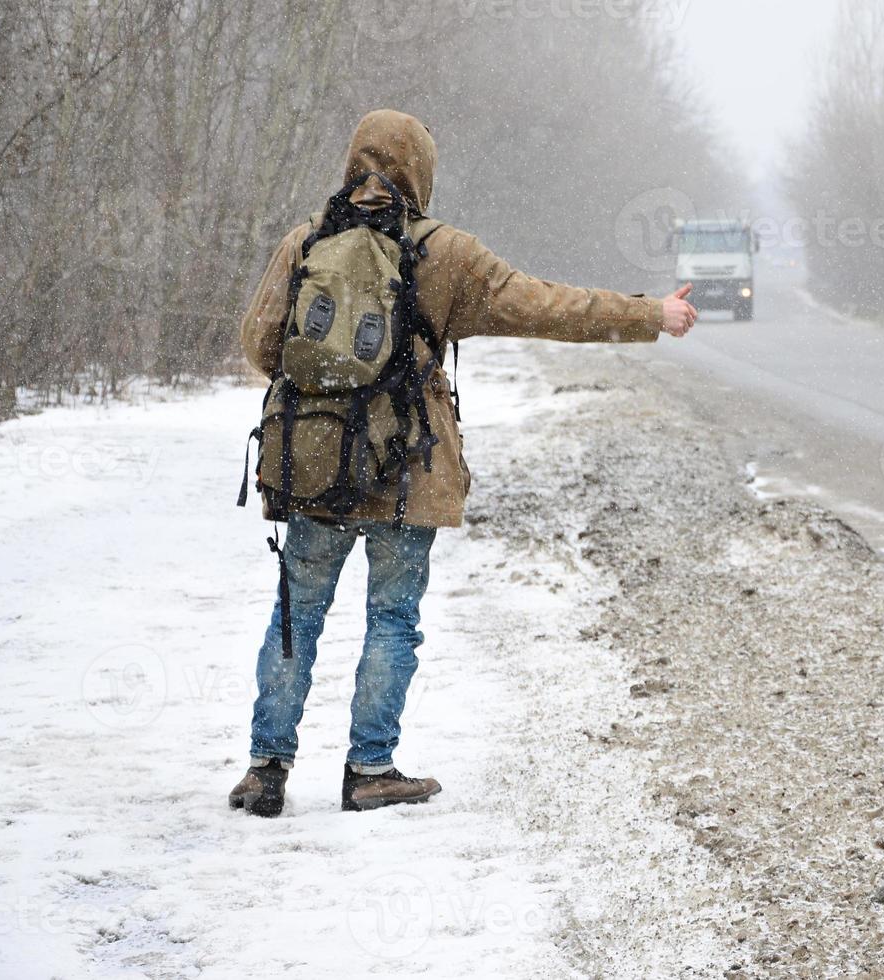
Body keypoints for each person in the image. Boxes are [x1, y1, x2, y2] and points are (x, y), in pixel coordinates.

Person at [228, 109, 697, 817]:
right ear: (421, 172)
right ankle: (370, 769)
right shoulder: (445, 254)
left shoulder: (307, 241)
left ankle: (266, 768)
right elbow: (547, 307)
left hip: (317, 466)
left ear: (354, 162)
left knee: (298, 609)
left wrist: (332, 383)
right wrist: (646, 315)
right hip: (405, 474)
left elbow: (262, 346)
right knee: (391, 617)